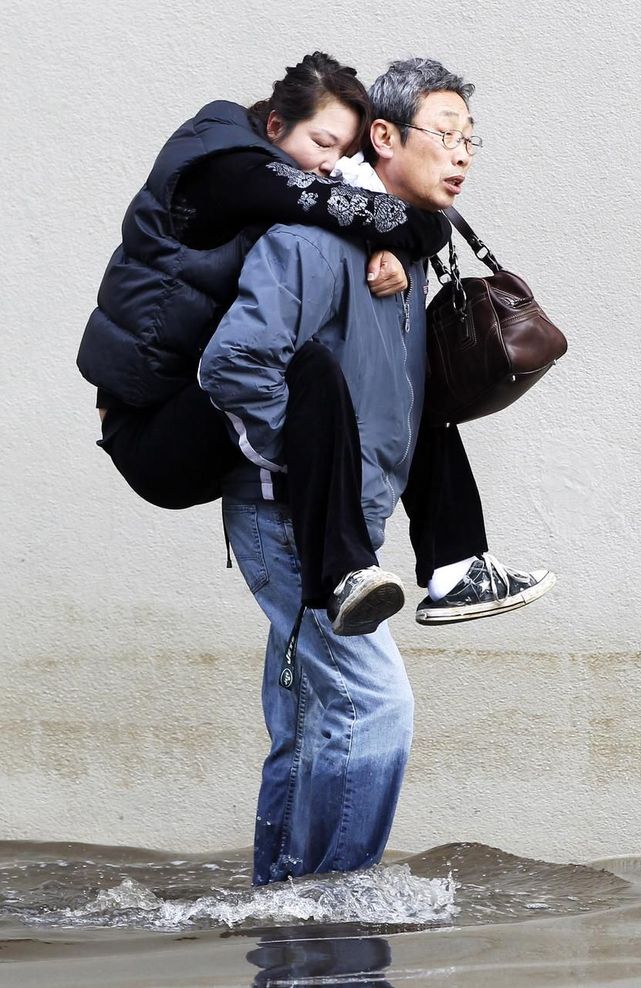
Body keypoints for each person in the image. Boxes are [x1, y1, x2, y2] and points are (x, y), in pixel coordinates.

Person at [198, 57, 555, 886]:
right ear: (385, 138)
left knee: (310, 724)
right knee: (376, 707)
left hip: (337, 522)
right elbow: (235, 363)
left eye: (472, 139)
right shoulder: (317, 241)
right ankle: (337, 903)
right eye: (445, 135)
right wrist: (310, 464)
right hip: (294, 520)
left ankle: (285, 905)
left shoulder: (404, 245)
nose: (462, 154)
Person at [76, 52, 452, 630]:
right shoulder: (224, 167)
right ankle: (343, 571)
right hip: (150, 429)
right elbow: (352, 209)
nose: (329, 166)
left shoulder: (281, 177)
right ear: (275, 126)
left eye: (343, 154)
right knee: (315, 372)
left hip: (196, 408)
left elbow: (390, 219)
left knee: (395, 378)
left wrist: (399, 243)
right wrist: (411, 230)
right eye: (323, 144)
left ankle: (456, 560)